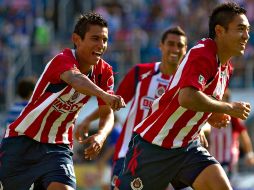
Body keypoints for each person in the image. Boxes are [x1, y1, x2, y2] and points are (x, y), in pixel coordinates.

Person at [115, 2, 251, 190]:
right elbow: (186, 97)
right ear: (220, 31)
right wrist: (228, 107)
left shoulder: (226, 66)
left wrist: (211, 115)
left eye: (248, 30)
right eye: (241, 29)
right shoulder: (203, 53)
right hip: (154, 147)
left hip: (187, 148)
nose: (247, 36)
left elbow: (198, 100)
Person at [0, 12, 125, 190]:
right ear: (77, 39)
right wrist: (104, 95)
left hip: (58, 146)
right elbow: (76, 80)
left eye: (104, 40)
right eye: (95, 38)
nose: (101, 45)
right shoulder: (61, 60)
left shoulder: (105, 72)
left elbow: (107, 113)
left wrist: (101, 135)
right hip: (23, 141)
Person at [75, 26, 189, 189]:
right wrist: (88, 119)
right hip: (128, 152)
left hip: (165, 156)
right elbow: (112, 103)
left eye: (180, 45)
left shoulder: (185, 84)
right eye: (171, 44)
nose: (175, 49)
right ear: (161, 46)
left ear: (186, 50)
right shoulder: (141, 73)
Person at [204, 88, 254, 179]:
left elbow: (243, 134)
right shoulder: (210, 115)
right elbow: (207, 131)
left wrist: (249, 154)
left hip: (228, 158)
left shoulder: (233, 117)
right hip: (213, 158)